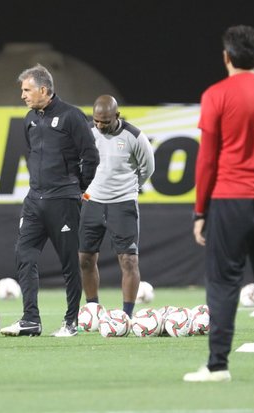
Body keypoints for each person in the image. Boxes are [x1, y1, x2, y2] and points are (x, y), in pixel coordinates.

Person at [183, 25, 254, 382]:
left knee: (222, 283)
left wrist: (200, 211)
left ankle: (218, 365)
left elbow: (207, 161)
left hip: (230, 201)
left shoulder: (216, 95)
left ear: (226, 57)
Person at [1, 64, 99, 337]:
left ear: (43, 90)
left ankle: (71, 321)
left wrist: (77, 187)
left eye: (26, 90)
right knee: (24, 255)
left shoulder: (72, 117)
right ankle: (30, 319)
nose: (23, 95)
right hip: (34, 201)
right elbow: (33, 154)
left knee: (70, 263)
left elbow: (91, 157)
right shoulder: (29, 120)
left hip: (64, 201)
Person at [79, 95, 155, 318]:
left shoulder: (134, 136)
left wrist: (130, 189)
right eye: (96, 121)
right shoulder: (87, 132)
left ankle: (126, 316)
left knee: (129, 260)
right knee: (85, 259)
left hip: (123, 204)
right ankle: (93, 310)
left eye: (105, 121)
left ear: (117, 116)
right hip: (92, 202)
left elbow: (147, 169)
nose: (100, 125)